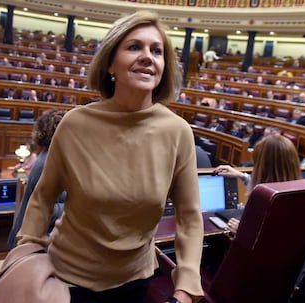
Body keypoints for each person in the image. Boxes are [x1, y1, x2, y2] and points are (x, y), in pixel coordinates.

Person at [16, 10, 204, 303]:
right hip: (65, 280)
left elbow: (190, 217)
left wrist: (185, 288)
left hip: (134, 282)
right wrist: (28, 254)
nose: (147, 56)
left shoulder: (177, 132)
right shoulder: (75, 124)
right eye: (134, 47)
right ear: (110, 64)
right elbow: (42, 197)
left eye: (156, 51)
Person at [213, 134, 303, 233]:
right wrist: (242, 176)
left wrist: (244, 232)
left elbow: (269, 240)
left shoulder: (267, 201)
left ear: (264, 168)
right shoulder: (301, 193)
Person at [8, 109, 67, 249]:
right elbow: (47, 209)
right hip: (30, 240)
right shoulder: (49, 161)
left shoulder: (53, 156)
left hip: (36, 236)